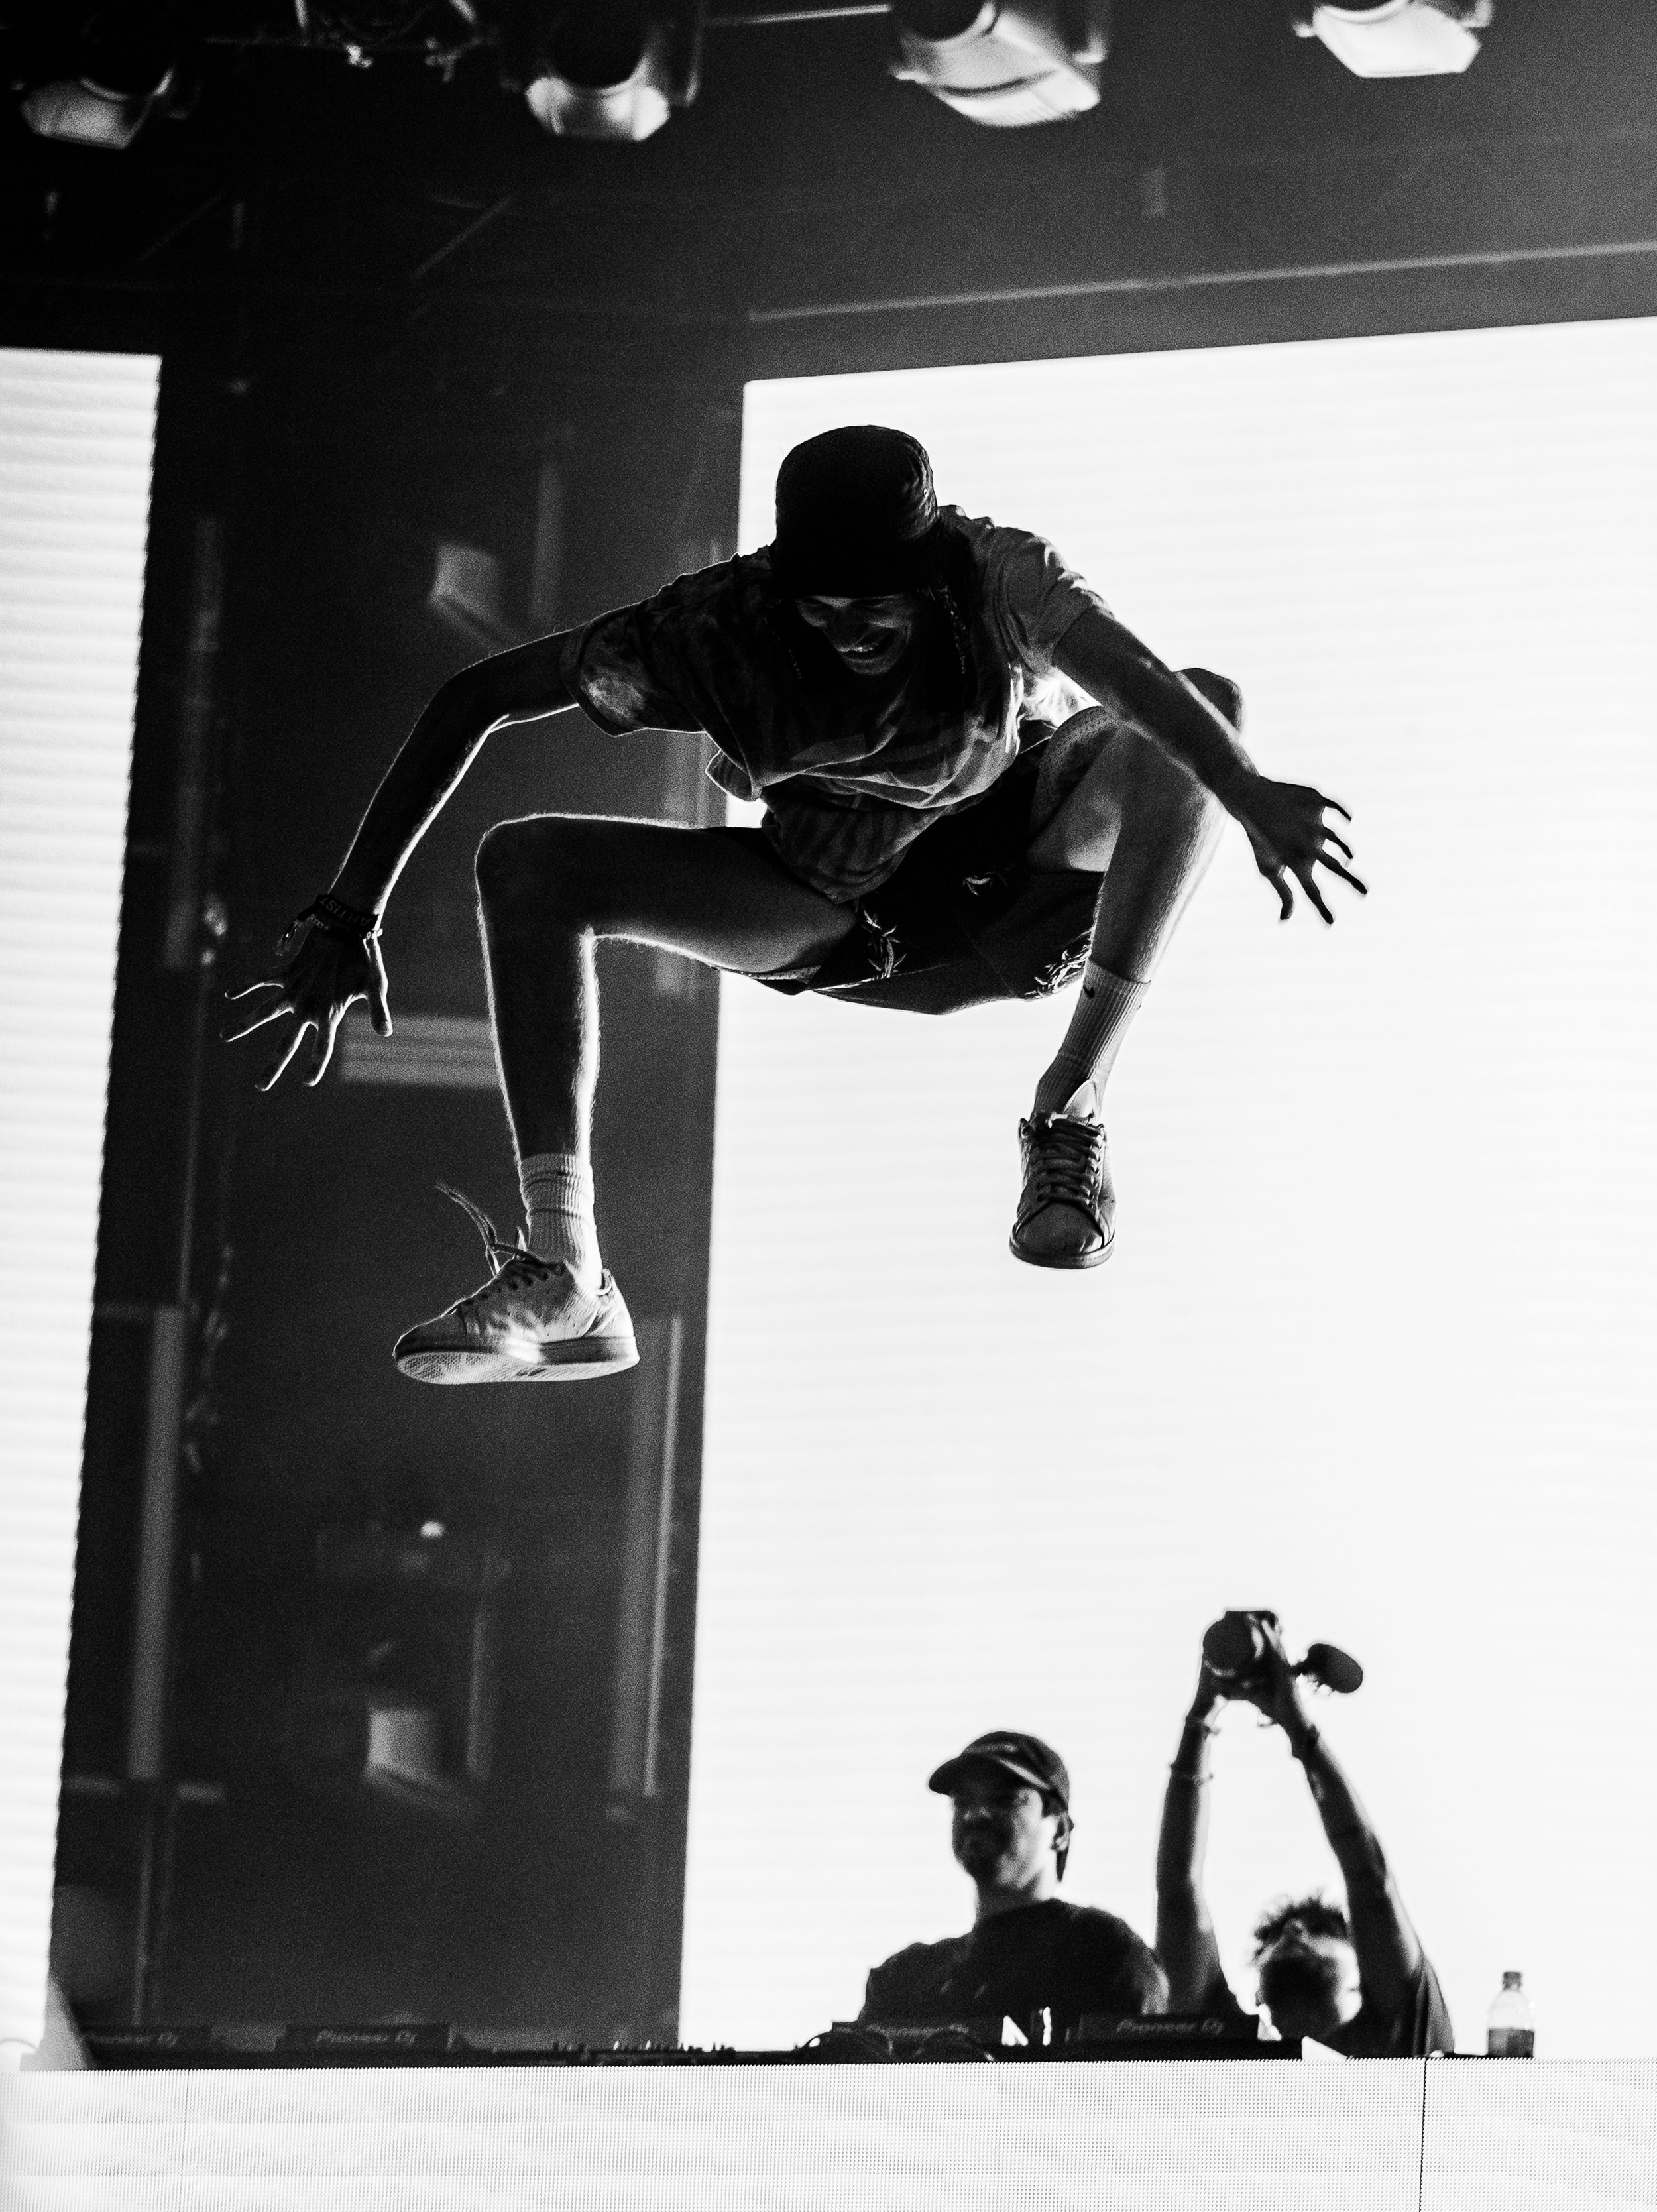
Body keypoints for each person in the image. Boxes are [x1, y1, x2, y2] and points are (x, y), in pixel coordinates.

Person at [227, 424, 1362, 1383]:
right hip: (840, 911)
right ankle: (568, 1268)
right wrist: (346, 912)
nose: (851, 636)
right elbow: (477, 696)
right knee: (527, 867)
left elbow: (1150, 684)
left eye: (881, 613)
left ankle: (1071, 1108)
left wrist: (1249, 791)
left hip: (1021, 866)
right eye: (823, 612)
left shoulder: (1006, 577)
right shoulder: (714, 629)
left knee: (1203, 716)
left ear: (932, 575)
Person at [1155, 1616, 1453, 2055]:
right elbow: (1178, 1891)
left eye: (1319, 1929)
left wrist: (1300, 1728)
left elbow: (1369, 1881)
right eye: (1277, 1938)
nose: (1294, 1929)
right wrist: (1200, 1717)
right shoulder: (1228, 2039)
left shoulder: (1400, 2034)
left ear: (1364, 1969)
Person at [858, 1729, 1166, 2034]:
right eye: (962, 1802)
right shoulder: (906, 1978)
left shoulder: (1100, 1952)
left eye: (1005, 1800)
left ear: (1059, 1832)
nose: (976, 1814)